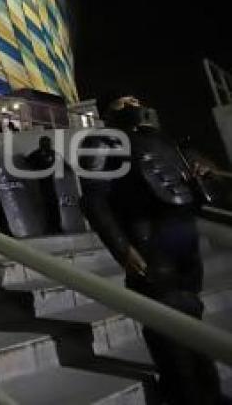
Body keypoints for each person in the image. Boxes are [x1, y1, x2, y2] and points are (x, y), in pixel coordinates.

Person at [80, 91, 225, 405]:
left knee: (190, 315)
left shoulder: (163, 141)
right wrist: (123, 249)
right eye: (123, 101)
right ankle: (184, 394)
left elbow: (190, 191)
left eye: (135, 100)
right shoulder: (102, 142)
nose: (133, 104)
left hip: (183, 241)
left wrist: (203, 180)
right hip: (147, 242)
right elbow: (94, 200)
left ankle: (209, 392)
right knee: (166, 323)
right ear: (107, 111)